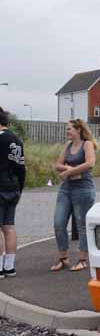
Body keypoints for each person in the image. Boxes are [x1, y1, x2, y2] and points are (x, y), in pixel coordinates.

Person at [50, 119, 97, 272]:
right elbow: (57, 165)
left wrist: (70, 172)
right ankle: (63, 258)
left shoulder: (87, 144)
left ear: (78, 130)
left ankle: (82, 260)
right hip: (66, 189)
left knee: (82, 225)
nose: (67, 131)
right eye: (67, 129)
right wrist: (69, 169)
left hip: (83, 189)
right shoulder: (68, 145)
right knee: (58, 223)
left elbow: (90, 163)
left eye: (69, 129)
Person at [0, 107, 25, 279]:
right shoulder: (17, 140)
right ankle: (9, 267)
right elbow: (21, 169)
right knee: (9, 227)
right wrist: (19, 189)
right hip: (13, 188)